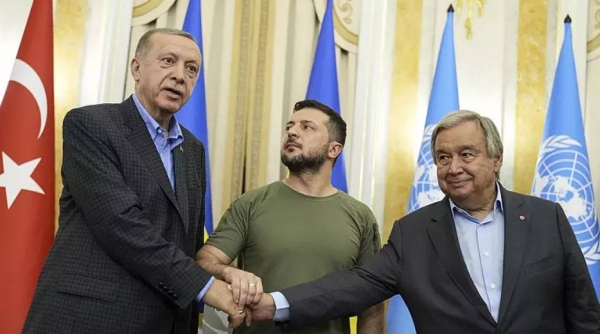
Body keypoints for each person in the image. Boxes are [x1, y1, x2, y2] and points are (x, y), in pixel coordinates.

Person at [249, 110, 600, 334]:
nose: (454, 167)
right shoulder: (414, 233)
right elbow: (352, 286)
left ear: (496, 159)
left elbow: (583, 311)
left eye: (467, 154)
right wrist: (274, 303)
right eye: (443, 158)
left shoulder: (545, 218)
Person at [23, 28, 245, 334]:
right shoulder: (91, 125)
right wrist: (207, 287)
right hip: (88, 318)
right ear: (136, 68)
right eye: (169, 61)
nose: (180, 75)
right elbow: (122, 225)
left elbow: (189, 242)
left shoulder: (193, 149)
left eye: (191, 69)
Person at [196, 99, 384, 334]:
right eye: (289, 127)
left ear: (333, 149)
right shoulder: (251, 203)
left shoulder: (361, 216)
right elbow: (203, 262)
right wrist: (229, 272)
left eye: (306, 127)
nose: (292, 132)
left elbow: (372, 301)